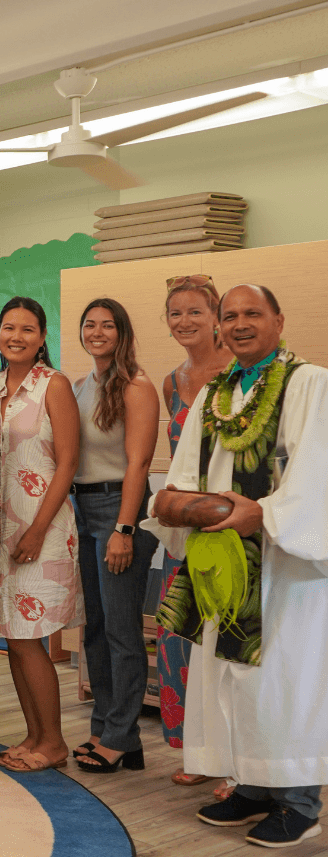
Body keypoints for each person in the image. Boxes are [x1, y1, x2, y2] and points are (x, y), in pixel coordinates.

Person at [149, 284, 328, 849]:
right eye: (231, 316)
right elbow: (181, 478)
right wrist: (181, 505)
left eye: (254, 313)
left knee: (283, 682)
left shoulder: (311, 384)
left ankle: (300, 804)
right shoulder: (218, 394)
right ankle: (251, 784)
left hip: (285, 567)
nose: (241, 324)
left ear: (279, 319)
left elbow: (318, 479)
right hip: (224, 561)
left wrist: (264, 514)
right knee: (232, 679)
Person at [0, 296, 83, 774]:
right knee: (11, 639)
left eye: (26, 329)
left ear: (42, 338)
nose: (15, 336)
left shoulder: (53, 386)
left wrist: (38, 529)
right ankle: (34, 734)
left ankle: (54, 742)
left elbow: (69, 462)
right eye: (7, 327)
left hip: (43, 529)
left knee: (28, 639)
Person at [71, 298, 160, 774]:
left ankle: (122, 735)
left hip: (119, 511)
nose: (98, 332)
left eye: (108, 325)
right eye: (90, 325)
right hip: (82, 509)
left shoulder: (137, 386)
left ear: (122, 333)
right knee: (96, 627)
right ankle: (107, 725)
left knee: (124, 631)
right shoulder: (83, 385)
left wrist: (125, 529)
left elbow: (139, 464)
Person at [156, 274, 230, 790]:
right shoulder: (171, 380)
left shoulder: (238, 375)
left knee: (225, 644)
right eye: (176, 314)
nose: (185, 322)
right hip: (182, 527)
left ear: (217, 316)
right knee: (178, 637)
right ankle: (198, 751)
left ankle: (235, 762)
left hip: (229, 523)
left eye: (195, 313)